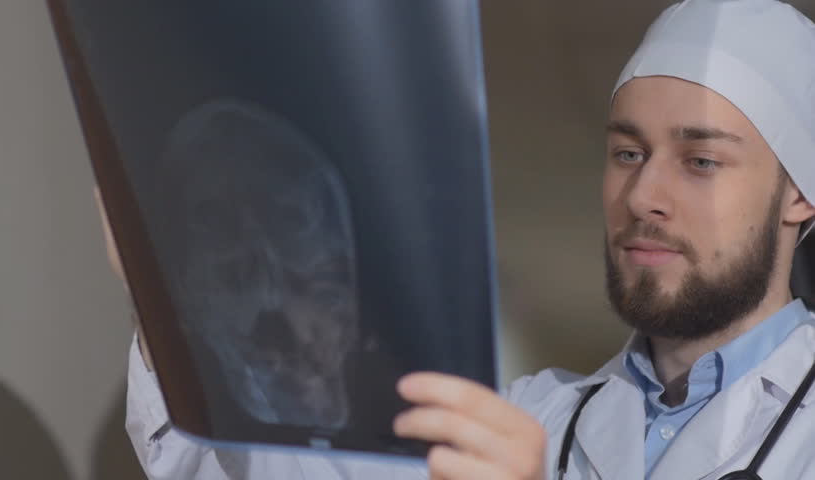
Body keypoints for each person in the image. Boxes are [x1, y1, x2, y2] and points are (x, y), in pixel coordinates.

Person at [112, 0, 815, 478]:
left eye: (700, 162)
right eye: (629, 154)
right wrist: (169, 289)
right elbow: (257, 467)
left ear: (800, 194)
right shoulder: (530, 414)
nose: (642, 198)